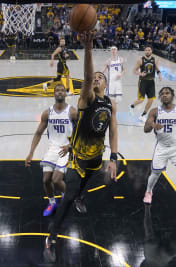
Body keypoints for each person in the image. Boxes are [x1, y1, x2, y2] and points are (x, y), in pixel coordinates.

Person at [44, 31, 118, 261]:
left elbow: (113, 130)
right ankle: (52, 236)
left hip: (97, 157)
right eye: (94, 77)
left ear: (106, 83)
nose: (96, 79)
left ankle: (79, 197)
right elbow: (86, 78)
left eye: (100, 77)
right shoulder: (87, 98)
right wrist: (88, 48)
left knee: (82, 189)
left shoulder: (110, 102)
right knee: (68, 198)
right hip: (79, 158)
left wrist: (113, 158)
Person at [25, 84, 77, 216]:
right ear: (53, 94)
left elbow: (80, 133)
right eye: (57, 90)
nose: (59, 92)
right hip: (52, 149)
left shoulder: (72, 112)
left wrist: (70, 147)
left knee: (56, 179)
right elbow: (38, 133)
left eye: (62, 90)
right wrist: (31, 152)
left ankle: (73, 196)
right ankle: (52, 203)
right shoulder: (47, 113)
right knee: (45, 180)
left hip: (66, 150)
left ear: (65, 94)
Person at [129, 45, 163, 122]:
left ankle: (143, 115)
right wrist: (140, 74)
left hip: (151, 82)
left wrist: (159, 74)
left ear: (151, 51)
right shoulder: (140, 60)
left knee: (151, 100)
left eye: (149, 50)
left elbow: (157, 69)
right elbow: (134, 71)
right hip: (143, 81)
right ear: (144, 51)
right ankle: (132, 106)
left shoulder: (155, 60)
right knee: (141, 100)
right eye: (146, 50)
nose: (147, 51)